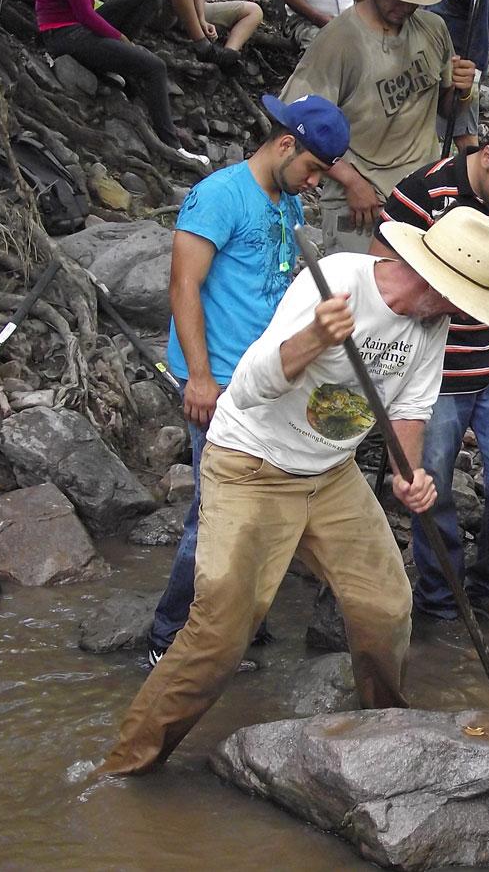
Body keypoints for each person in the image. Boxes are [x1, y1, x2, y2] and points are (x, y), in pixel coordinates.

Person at [98, 206, 489, 775]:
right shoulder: (338, 282)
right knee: (221, 633)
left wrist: (407, 475)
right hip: (250, 463)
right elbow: (247, 387)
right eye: (458, 299)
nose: (461, 313)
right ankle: (129, 765)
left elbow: (412, 406)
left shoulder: (430, 323)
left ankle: (385, 733)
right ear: (430, 278)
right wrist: (315, 338)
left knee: (386, 606)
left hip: (330, 473)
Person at [146, 94, 349, 669]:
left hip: (265, 379)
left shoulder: (285, 201)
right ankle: (169, 637)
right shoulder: (219, 194)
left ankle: (233, 622)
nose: (313, 182)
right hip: (217, 381)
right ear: (286, 144)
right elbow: (183, 286)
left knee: (253, 510)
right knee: (214, 515)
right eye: (311, 168)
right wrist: (201, 379)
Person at [373, 116, 489, 630]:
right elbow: (382, 270)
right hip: (433, 373)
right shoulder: (423, 190)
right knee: (433, 487)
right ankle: (442, 596)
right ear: (488, 154)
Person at [280, 0, 477, 253]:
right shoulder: (340, 39)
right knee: (359, 292)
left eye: (413, 0)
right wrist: (350, 180)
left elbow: (447, 110)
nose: (404, 6)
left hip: (421, 195)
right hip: (361, 202)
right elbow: (298, 119)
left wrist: (464, 90)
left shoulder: (433, 29)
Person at [34, 0, 208, 164]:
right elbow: (84, 13)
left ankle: (114, 62)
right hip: (64, 34)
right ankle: (174, 147)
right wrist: (119, 38)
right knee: (155, 67)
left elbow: (87, 5)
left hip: (79, 24)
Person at [429, 0, 489, 153]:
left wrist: (472, 80)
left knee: (465, 141)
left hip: (459, 70)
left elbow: (482, 32)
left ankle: (473, 179)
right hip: (426, 61)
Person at [140, 0, 263, 71]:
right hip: (158, 9)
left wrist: (202, 19)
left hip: (187, 6)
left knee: (254, 11)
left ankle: (227, 56)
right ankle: (204, 48)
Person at [275, 0, 372, 49]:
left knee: (369, 47)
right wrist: (319, 18)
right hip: (305, 20)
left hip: (346, 21)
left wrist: (371, 19)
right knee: (323, 48)